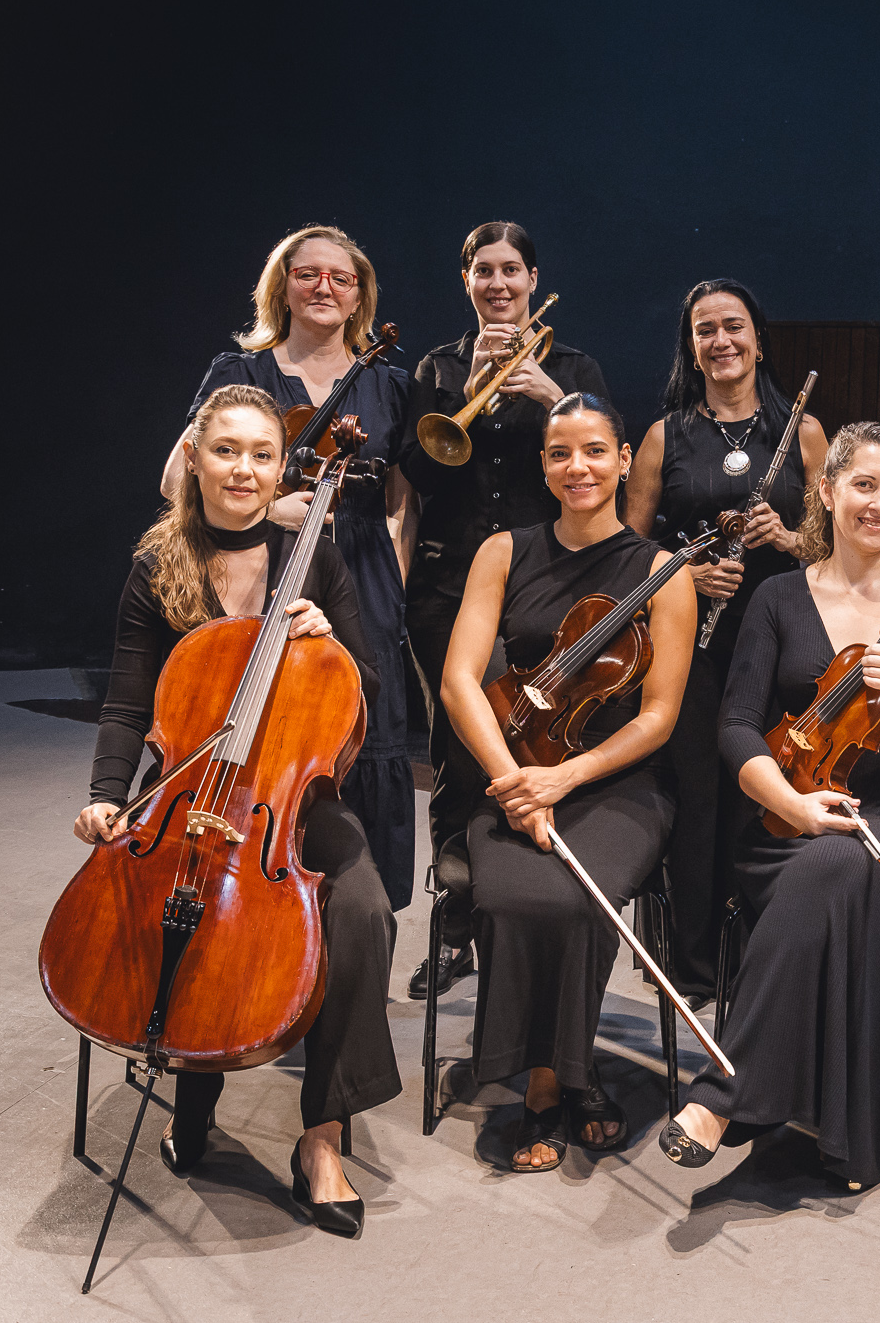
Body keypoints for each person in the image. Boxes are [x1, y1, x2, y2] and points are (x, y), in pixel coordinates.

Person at [78, 384, 399, 1239]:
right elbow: (124, 705)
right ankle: (195, 1085)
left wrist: (328, 638)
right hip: (188, 786)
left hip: (288, 793)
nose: (245, 471)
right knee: (186, 897)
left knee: (363, 906)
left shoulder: (312, 554)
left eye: (263, 454)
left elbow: (364, 688)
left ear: (282, 466)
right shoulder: (159, 564)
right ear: (196, 458)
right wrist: (109, 797)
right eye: (227, 451)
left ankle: (323, 1135)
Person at [658, 422, 880, 1190]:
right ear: (828, 492)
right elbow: (736, 724)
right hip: (789, 812)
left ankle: (728, 1095)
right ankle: (827, 1121)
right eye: (864, 485)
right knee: (832, 857)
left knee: (843, 860)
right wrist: (792, 805)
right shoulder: (778, 597)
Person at [440, 392, 695, 1174]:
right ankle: (557, 1081)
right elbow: (458, 681)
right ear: (544, 465)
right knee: (519, 895)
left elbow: (657, 717)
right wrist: (517, 778)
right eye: (559, 453)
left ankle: (553, 1080)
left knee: (577, 895)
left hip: (614, 781)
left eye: (593, 450)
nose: (576, 467)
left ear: (624, 460)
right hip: (506, 768)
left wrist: (567, 775)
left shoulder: (661, 571)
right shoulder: (503, 551)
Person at [160, 224, 418, 913]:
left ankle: (357, 925)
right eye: (308, 274)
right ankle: (250, 912)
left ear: (359, 295)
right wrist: (267, 511)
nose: (324, 288)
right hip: (260, 567)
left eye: (341, 277)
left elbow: (401, 500)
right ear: (283, 286)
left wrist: (394, 576)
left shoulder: (389, 383)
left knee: (363, 732)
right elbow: (172, 479)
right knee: (266, 737)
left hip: (361, 573)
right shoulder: (239, 372)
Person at [402, 221, 616, 999]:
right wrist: (463, 398)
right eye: (483, 272)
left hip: (539, 588)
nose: (498, 284)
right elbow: (417, 470)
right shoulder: (436, 366)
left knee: (532, 744)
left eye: (511, 271)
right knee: (459, 751)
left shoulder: (574, 365)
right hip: (448, 583)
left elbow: (595, 462)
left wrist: (555, 400)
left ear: (533, 279)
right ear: (467, 281)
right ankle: (457, 925)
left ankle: (525, 916)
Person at [624, 278, 828, 994]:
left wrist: (792, 535)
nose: (721, 341)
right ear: (692, 346)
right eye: (705, 329)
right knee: (703, 803)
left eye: (733, 325)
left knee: (766, 798)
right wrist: (688, 575)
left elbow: (835, 545)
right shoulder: (663, 437)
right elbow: (629, 553)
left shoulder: (802, 432)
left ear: (758, 338)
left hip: (782, 640)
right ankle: (696, 968)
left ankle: (764, 963)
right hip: (697, 645)